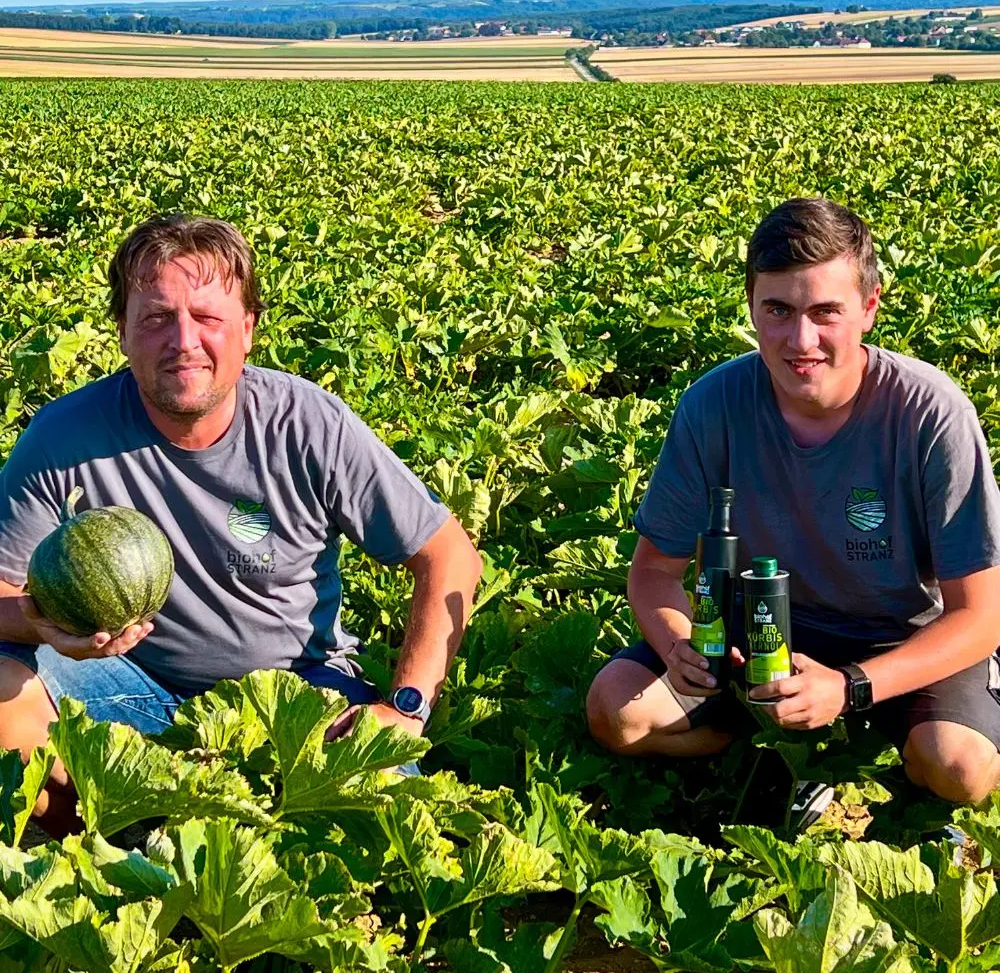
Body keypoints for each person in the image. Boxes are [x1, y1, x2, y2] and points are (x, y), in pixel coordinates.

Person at [0, 215, 483, 837]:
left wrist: (405, 706)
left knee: (387, 815)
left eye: (208, 317)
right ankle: (118, 861)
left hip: (297, 696)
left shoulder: (308, 423)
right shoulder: (62, 437)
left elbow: (449, 556)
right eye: (155, 318)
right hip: (128, 685)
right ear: (121, 332)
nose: (183, 340)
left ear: (247, 329)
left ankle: (183, 844)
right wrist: (39, 621)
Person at [586, 197, 1000, 809]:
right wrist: (682, 647)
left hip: (898, 644)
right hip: (754, 634)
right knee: (616, 712)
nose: (799, 340)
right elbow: (654, 571)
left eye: (825, 312)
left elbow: (981, 617)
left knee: (959, 769)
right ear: (752, 306)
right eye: (777, 310)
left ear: (869, 307)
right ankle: (771, 757)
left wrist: (849, 687)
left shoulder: (931, 414)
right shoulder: (714, 405)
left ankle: (863, 761)